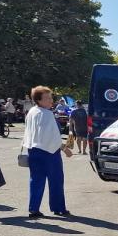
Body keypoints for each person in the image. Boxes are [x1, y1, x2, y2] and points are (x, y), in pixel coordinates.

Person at [22, 85, 72, 218]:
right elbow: (53, 137)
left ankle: (34, 208)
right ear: (39, 100)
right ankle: (58, 208)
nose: (51, 101)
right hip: (49, 152)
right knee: (56, 180)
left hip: (33, 150)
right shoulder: (47, 114)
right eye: (47, 98)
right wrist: (65, 148)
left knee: (36, 180)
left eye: (51, 97)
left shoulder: (32, 111)